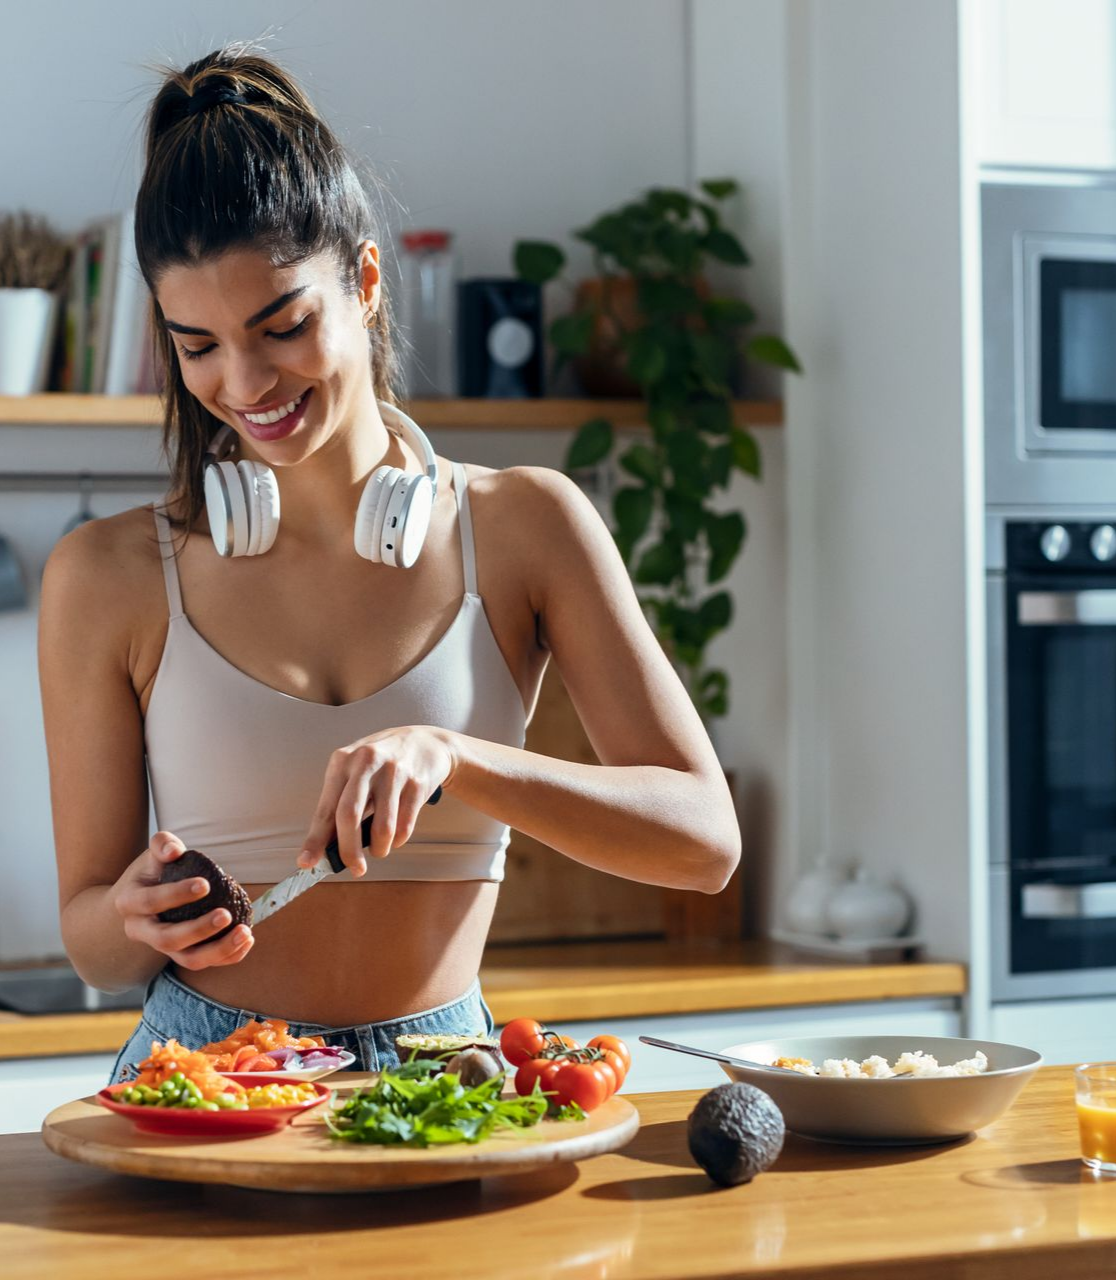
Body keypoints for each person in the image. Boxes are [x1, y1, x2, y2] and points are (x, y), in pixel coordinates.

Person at [38, 47, 740, 1084]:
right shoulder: (107, 575)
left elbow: (703, 841)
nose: (243, 382)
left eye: (283, 326)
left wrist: (454, 757)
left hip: (446, 1075)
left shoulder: (525, 525)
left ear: (363, 283)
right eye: (197, 346)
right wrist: (135, 914)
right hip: (206, 1073)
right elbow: (90, 938)